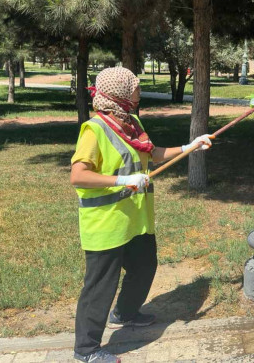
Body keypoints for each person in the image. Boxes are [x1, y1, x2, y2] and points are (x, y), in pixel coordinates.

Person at [69, 67, 213, 363]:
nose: (139, 91)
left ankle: (124, 313)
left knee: (145, 267)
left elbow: (152, 153)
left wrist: (190, 146)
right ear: (119, 93)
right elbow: (78, 175)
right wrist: (123, 180)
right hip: (107, 224)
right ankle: (86, 349)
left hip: (136, 220)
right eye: (135, 87)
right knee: (100, 287)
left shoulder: (131, 123)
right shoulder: (94, 129)